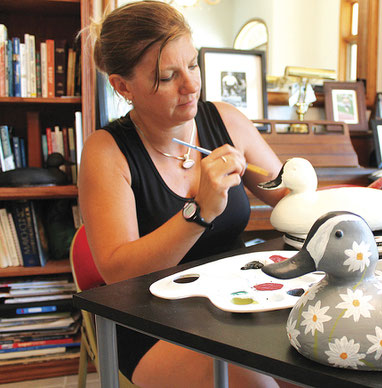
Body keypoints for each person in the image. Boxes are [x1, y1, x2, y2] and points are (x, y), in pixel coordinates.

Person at [80, 2, 286, 387]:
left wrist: (352, 204)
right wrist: (199, 212)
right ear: (123, 86)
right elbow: (118, 271)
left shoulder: (226, 120)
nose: (191, 85)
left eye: (192, 65)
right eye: (168, 76)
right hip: (150, 322)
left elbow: (287, 194)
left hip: (235, 298)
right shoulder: (106, 152)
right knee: (256, 382)